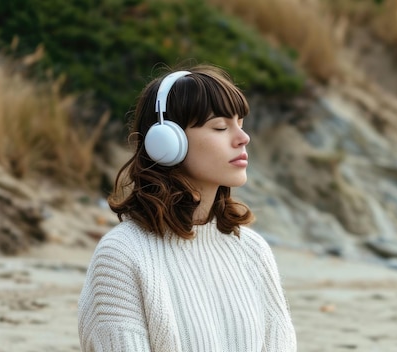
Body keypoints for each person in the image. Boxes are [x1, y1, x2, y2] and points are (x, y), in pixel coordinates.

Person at [78, 65, 297, 352]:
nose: (243, 138)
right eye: (220, 127)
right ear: (166, 141)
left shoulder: (253, 251)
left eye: (240, 123)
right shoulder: (123, 255)